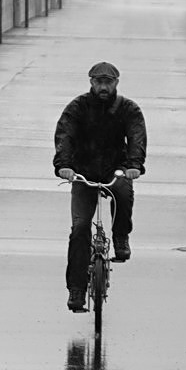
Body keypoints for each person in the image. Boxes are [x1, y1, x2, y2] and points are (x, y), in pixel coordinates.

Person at [53, 61, 147, 312]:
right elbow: (65, 135)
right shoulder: (78, 107)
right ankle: (77, 289)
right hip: (83, 170)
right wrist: (64, 165)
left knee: (123, 193)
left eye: (108, 82)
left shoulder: (128, 109)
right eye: (98, 82)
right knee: (80, 228)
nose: (103, 86)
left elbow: (137, 138)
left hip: (115, 168)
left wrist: (134, 165)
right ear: (91, 82)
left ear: (116, 83)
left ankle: (120, 236)